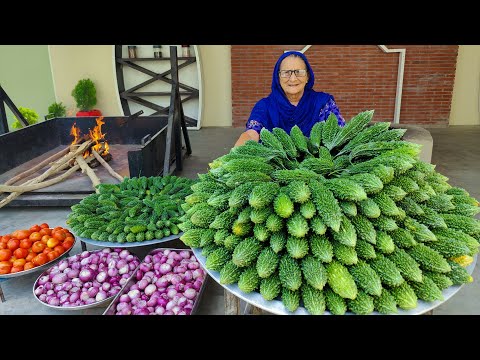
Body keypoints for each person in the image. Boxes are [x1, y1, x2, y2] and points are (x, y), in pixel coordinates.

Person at [234, 50, 345, 147]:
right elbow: (251, 133)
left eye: (299, 72)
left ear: (308, 77)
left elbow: (339, 132)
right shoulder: (264, 106)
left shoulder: (323, 103)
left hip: (318, 167)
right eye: (286, 73)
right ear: (278, 78)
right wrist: (236, 154)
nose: (292, 79)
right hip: (275, 168)